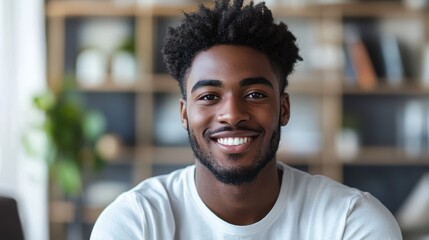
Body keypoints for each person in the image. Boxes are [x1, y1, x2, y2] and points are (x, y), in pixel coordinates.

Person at [90, 0, 402, 239]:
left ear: (283, 108)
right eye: (209, 96)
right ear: (184, 114)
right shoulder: (135, 223)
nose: (232, 114)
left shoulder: (351, 222)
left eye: (254, 94)